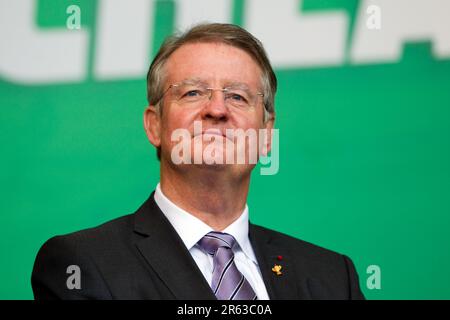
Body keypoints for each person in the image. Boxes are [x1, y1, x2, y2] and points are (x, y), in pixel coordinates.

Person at [31, 23, 365, 300]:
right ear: (154, 125)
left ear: (266, 134)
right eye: (193, 93)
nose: (217, 110)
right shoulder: (81, 264)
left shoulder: (332, 278)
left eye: (237, 96)